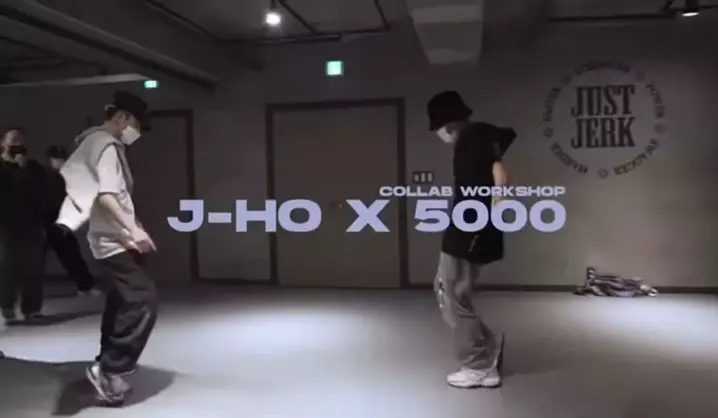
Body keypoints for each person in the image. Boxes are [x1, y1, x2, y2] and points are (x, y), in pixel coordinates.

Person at [56, 91, 157, 406]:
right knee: (142, 300)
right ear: (122, 117)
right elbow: (106, 195)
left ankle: (108, 363)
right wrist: (133, 230)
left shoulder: (93, 142)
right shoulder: (106, 145)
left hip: (114, 237)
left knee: (121, 301)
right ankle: (111, 368)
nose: (136, 132)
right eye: (136, 125)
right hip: (112, 240)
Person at [427, 91, 516, 389]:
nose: (439, 134)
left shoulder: (470, 141)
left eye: (439, 128)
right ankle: (487, 348)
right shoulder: (479, 136)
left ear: (447, 124)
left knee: (455, 295)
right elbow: (503, 144)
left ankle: (478, 366)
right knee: (447, 290)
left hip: (469, 229)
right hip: (469, 227)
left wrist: (495, 201)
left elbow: (494, 175)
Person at [0, 128, 48, 324]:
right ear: (3, 143)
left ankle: (32, 308)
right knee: (7, 267)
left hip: (31, 224)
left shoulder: (33, 168)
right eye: (12, 140)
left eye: (20, 140)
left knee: (34, 268)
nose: (16, 143)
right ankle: (7, 306)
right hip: (5, 226)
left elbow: (42, 192)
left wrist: (24, 169)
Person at [44, 145, 100, 297]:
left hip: (61, 221)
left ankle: (86, 287)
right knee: (33, 259)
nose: (60, 161)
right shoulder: (41, 176)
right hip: (43, 221)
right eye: (56, 158)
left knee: (72, 255)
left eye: (62, 158)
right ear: (50, 159)